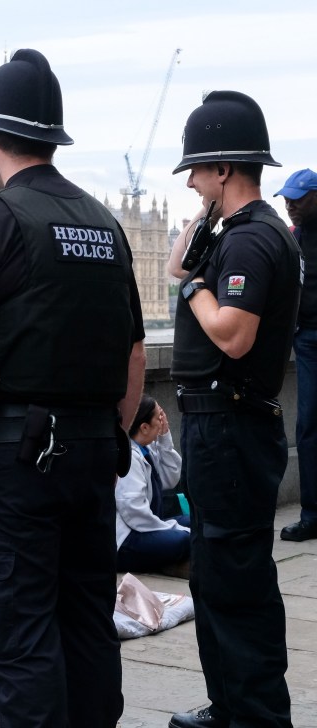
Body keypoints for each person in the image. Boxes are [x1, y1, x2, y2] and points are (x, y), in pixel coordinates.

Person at [0, 49, 146, 727]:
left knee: (21, 637)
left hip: (16, 461)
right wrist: (110, 437)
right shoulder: (106, 225)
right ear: (53, 139)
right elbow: (134, 356)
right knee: (86, 622)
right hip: (88, 456)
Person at [166, 91, 300, 728]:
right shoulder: (245, 233)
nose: (192, 181)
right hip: (223, 426)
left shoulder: (250, 243)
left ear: (224, 168)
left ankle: (253, 715)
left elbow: (233, 334)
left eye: (196, 169)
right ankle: (233, 707)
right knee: (218, 578)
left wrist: (190, 283)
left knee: (235, 581)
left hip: (231, 427)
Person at [275, 168, 317, 542]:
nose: (290, 205)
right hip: (307, 342)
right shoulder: (293, 239)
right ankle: (312, 514)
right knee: (307, 428)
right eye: (286, 199)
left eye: (298, 198)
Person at [115, 395, 190, 573]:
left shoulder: (146, 449)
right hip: (128, 539)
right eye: (159, 417)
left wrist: (164, 440)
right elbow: (135, 514)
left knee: (198, 522)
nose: (163, 422)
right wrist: (174, 529)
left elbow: (170, 479)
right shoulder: (129, 457)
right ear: (144, 427)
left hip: (147, 525)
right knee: (185, 539)